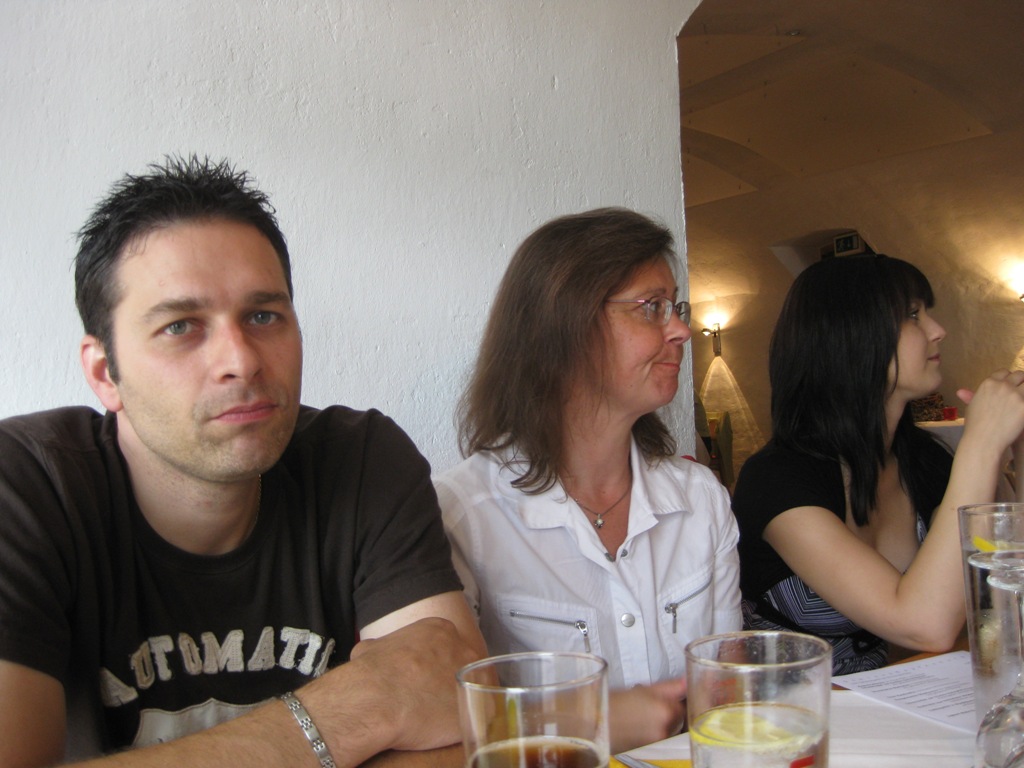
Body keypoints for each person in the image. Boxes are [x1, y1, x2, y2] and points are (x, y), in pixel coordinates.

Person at [0, 155, 486, 768]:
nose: (242, 360)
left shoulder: (361, 460)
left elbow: (462, 728)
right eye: (181, 326)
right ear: (105, 374)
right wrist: (352, 707)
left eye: (263, 316)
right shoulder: (25, 486)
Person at [434, 208, 742, 751]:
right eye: (651, 307)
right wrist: (593, 719)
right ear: (565, 326)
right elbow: (448, 729)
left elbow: (727, 693)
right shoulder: (464, 518)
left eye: (676, 307)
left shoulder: (701, 500)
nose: (680, 330)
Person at [732, 254, 1024, 674]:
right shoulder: (777, 479)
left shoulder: (925, 461)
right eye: (913, 315)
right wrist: (981, 444)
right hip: (792, 708)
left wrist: (1014, 447)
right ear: (851, 336)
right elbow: (924, 625)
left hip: (908, 698)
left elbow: (1003, 592)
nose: (938, 330)